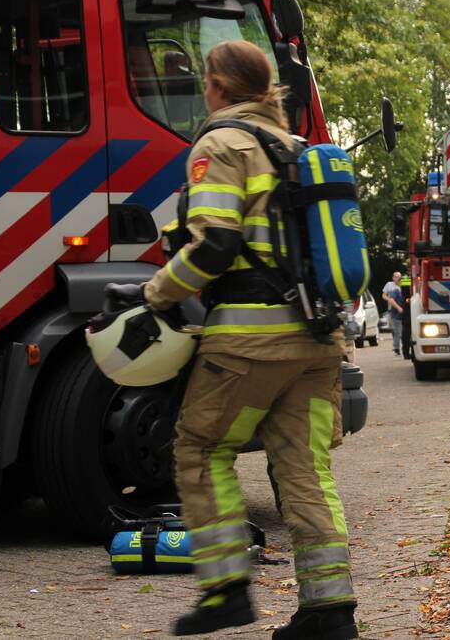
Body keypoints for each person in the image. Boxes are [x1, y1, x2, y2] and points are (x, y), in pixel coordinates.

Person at [113, 41, 358, 639]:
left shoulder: (222, 144)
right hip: (318, 340)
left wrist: (154, 295)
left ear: (218, 86)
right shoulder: (295, 148)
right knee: (305, 470)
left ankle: (225, 590)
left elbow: (215, 245)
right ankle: (329, 612)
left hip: (251, 340)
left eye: (206, 80)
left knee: (200, 450)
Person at [383, 271, 404, 356]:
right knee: (396, 330)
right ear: (393, 277)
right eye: (396, 276)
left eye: (399, 277)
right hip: (392, 310)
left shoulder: (404, 288)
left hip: (401, 312)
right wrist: (390, 300)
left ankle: (399, 347)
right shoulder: (390, 285)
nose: (397, 278)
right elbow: (384, 295)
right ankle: (396, 348)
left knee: (400, 331)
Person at [400, 275, 413, 359]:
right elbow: (406, 294)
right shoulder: (406, 278)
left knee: (407, 331)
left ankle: (406, 353)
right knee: (407, 332)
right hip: (408, 306)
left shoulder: (406, 278)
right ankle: (406, 353)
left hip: (408, 306)